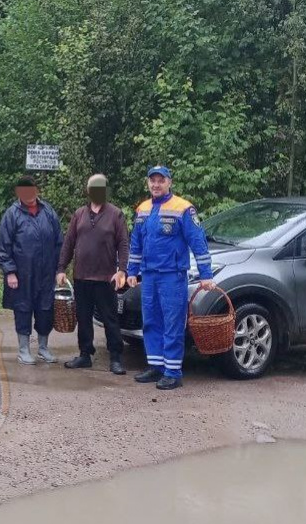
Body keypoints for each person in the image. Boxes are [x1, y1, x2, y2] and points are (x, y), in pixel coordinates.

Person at [126, 166, 214, 390]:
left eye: (160, 181)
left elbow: (198, 242)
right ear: (148, 183)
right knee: (150, 321)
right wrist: (132, 271)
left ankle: (173, 371)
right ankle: (156, 366)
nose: (156, 185)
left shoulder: (183, 208)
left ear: (169, 183)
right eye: (152, 181)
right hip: (149, 275)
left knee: (172, 323)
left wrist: (206, 275)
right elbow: (136, 242)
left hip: (172, 276)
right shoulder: (143, 209)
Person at [57, 174, 130, 375]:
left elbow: (123, 244)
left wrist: (122, 270)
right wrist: (61, 268)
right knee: (83, 317)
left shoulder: (116, 214)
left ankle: (115, 358)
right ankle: (84, 355)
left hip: (106, 277)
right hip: (81, 276)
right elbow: (69, 242)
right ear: (88, 191)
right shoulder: (79, 214)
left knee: (110, 318)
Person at [0, 175, 64, 365]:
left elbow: (60, 242)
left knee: (45, 309)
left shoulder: (48, 212)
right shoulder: (12, 214)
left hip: (47, 273)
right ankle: (23, 350)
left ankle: (43, 348)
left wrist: (60, 268)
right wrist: (10, 271)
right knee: (23, 309)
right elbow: (3, 246)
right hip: (21, 274)